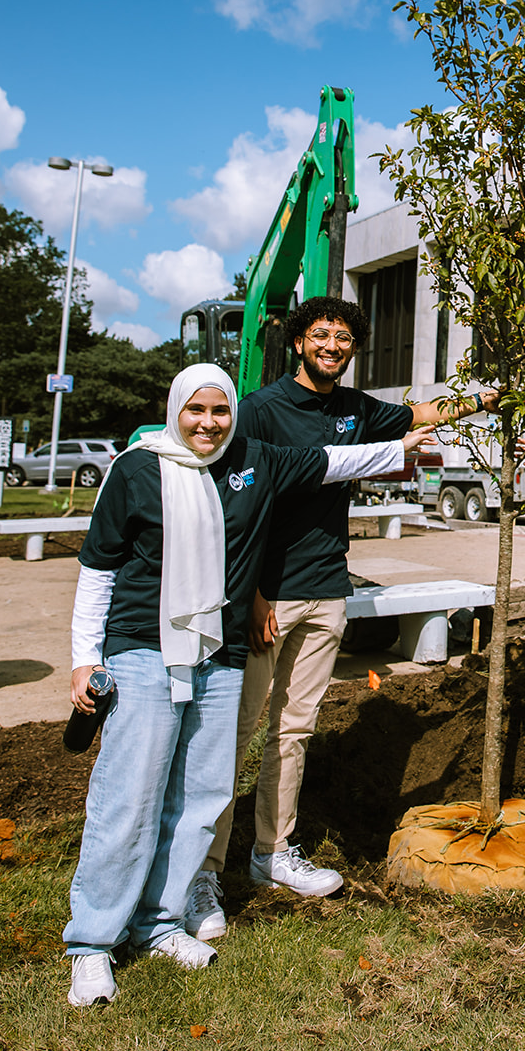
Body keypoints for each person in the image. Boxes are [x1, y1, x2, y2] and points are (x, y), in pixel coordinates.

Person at [65, 362, 431, 1007]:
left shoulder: (255, 461)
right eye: (196, 411)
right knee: (130, 795)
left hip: (221, 652)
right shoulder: (136, 470)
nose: (209, 424)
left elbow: (330, 461)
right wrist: (82, 660)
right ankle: (92, 943)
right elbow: (98, 570)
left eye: (221, 411)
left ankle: (161, 920)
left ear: (234, 414)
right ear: (176, 410)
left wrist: (402, 446)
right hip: (143, 649)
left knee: (201, 795)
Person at [186, 296, 499, 935]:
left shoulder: (355, 410)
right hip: (264, 597)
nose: (333, 346)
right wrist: (249, 594)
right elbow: (235, 508)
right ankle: (200, 873)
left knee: (294, 731)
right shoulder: (259, 412)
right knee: (233, 732)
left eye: (344, 339)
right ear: (299, 342)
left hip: (328, 590)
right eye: (321, 335)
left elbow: (419, 414)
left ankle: (271, 853)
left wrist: (485, 398)